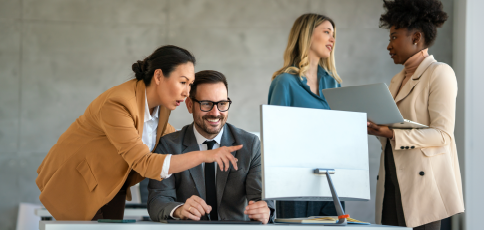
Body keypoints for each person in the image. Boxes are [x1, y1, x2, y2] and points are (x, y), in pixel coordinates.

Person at [35, 45, 243, 221]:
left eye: (190, 85)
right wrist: (205, 155)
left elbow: (170, 137)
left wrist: (208, 138)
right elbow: (143, 162)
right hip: (78, 184)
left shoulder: (162, 108)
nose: (187, 92)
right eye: (182, 82)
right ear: (159, 76)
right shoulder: (118, 104)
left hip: (112, 186)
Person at [367, 0, 463, 229]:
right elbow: (393, 131)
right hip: (392, 178)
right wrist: (374, 129)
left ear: (416, 37)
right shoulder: (396, 80)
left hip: (424, 187)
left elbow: (442, 135)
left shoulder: (440, 73)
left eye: (393, 37)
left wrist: (391, 133)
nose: (389, 46)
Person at [147, 70, 273, 223]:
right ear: (190, 105)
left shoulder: (250, 144)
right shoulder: (168, 145)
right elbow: (157, 201)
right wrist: (179, 209)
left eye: (222, 104)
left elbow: (262, 199)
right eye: (206, 104)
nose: (216, 113)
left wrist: (264, 210)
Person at [267, 13, 345, 218]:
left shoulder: (334, 83)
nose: (332, 39)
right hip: (295, 181)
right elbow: (275, 137)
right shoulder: (285, 82)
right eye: (327, 32)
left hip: (332, 178)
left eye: (333, 34)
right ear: (307, 35)